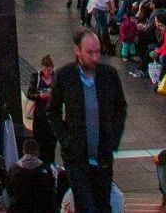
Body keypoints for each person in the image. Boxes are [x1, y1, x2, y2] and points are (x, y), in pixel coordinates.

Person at [44, 29, 127, 213]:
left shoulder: (109, 75)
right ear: (77, 50)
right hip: (77, 158)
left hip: (102, 158)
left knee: (103, 206)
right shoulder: (65, 76)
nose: (95, 57)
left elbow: (120, 108)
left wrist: (113, 140)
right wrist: (66, 140)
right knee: (85, 207)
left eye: (98, 51)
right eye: (90, 52)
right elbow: (53, 111)